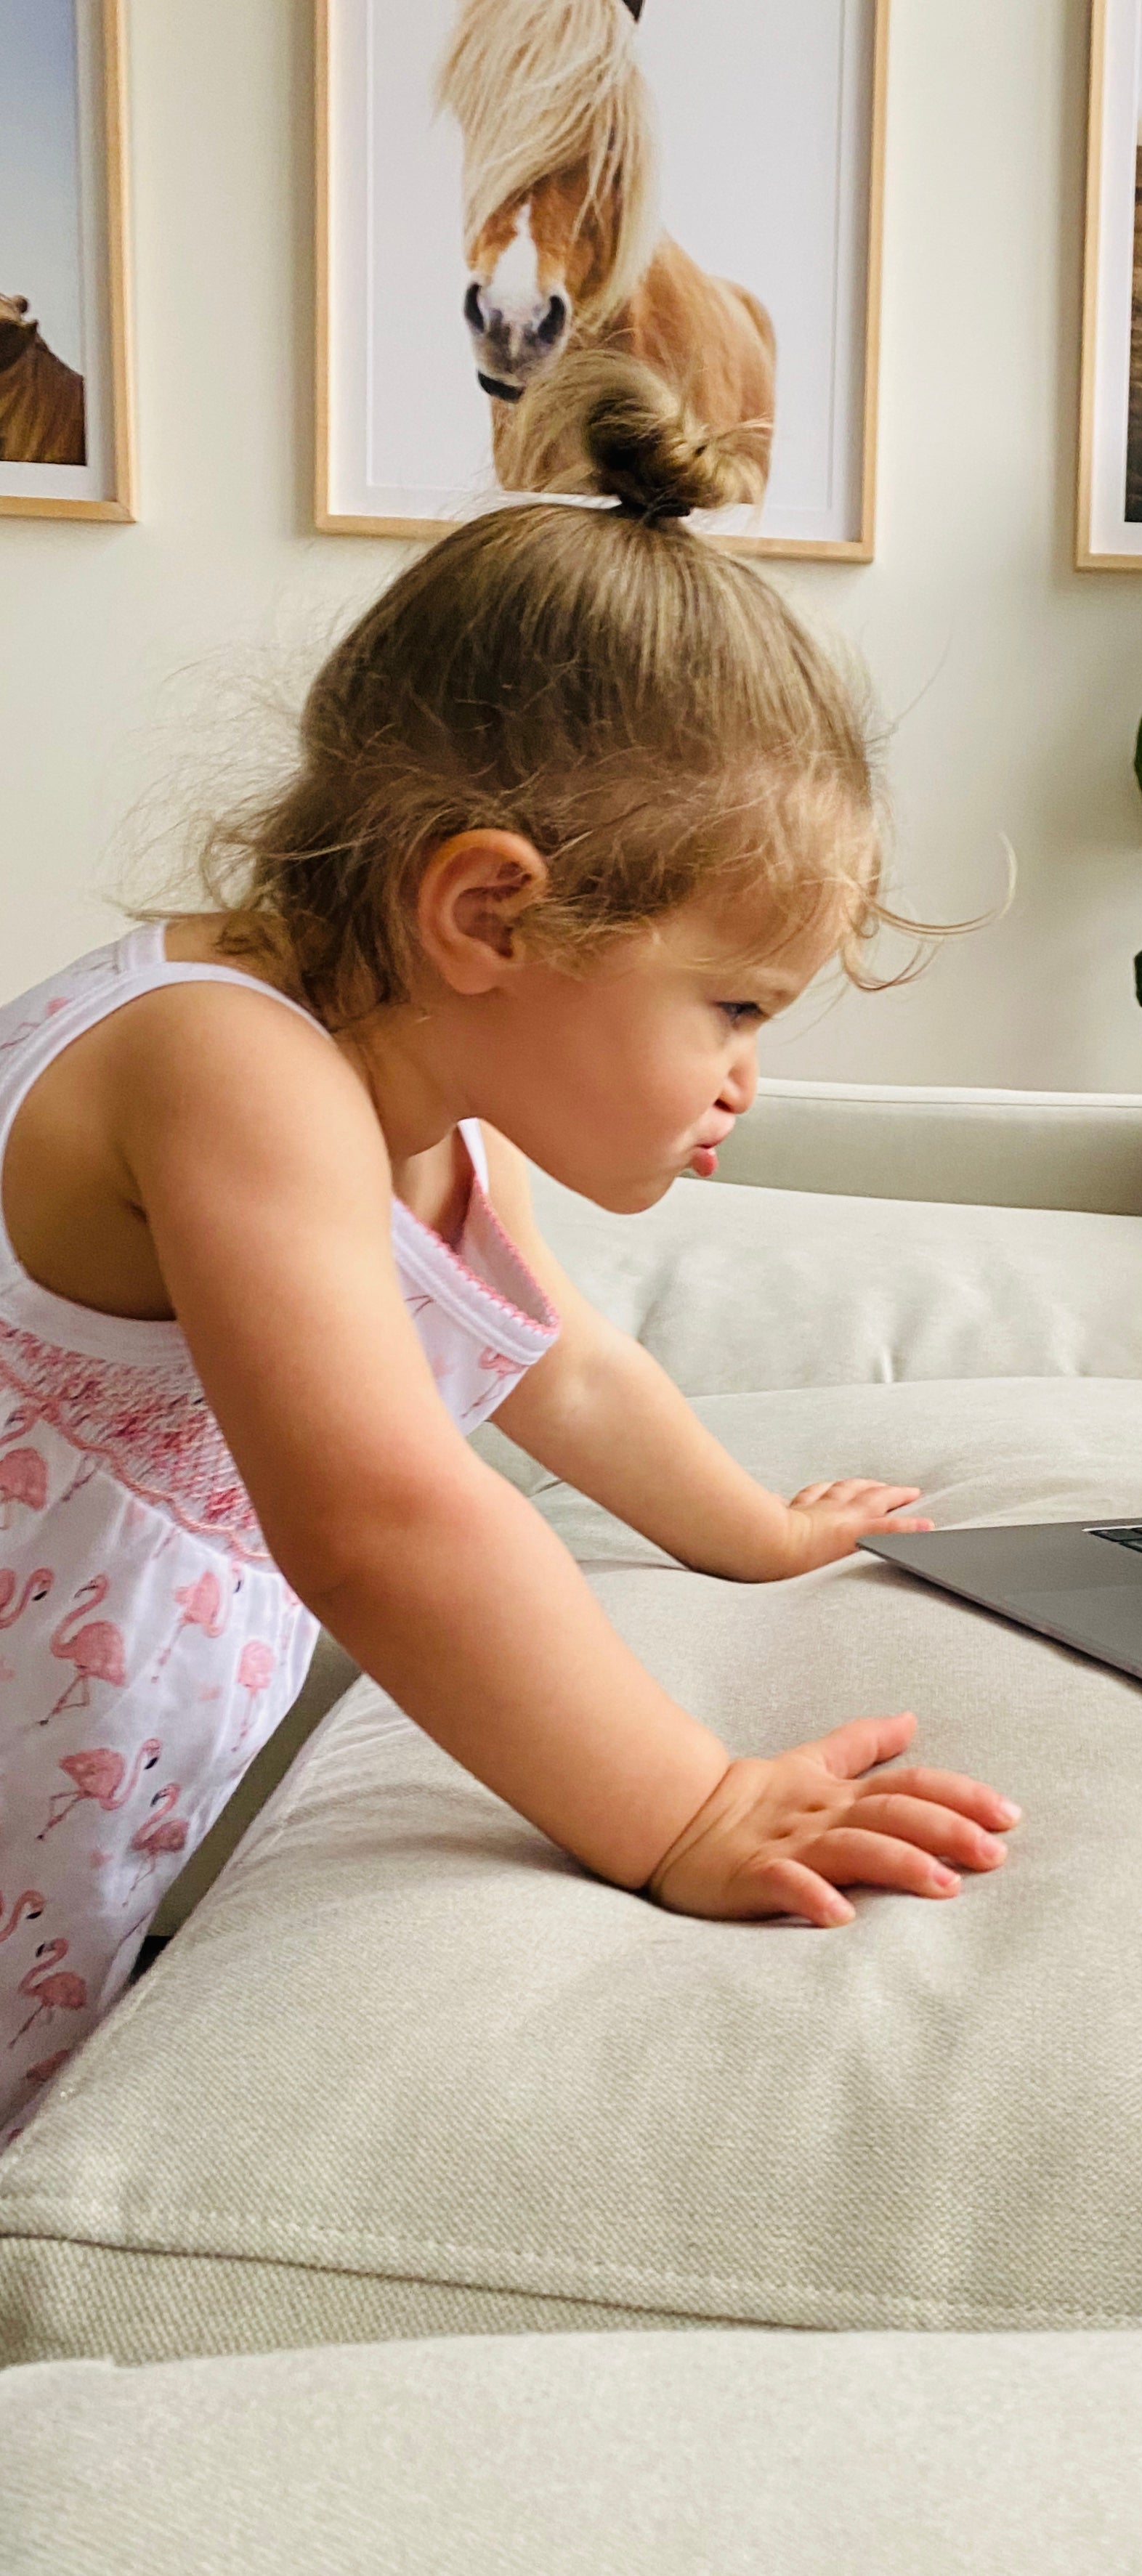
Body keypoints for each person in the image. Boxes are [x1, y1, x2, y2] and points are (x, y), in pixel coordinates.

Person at [0, 354, 1018, 2145]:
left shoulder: (423, 1091)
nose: (744, 1080)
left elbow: (565, 1363)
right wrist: (686, 1806)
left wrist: (763, 1537)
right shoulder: (229, 1062)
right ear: (490, 911)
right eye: (731, 1003)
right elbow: (385, 1518)